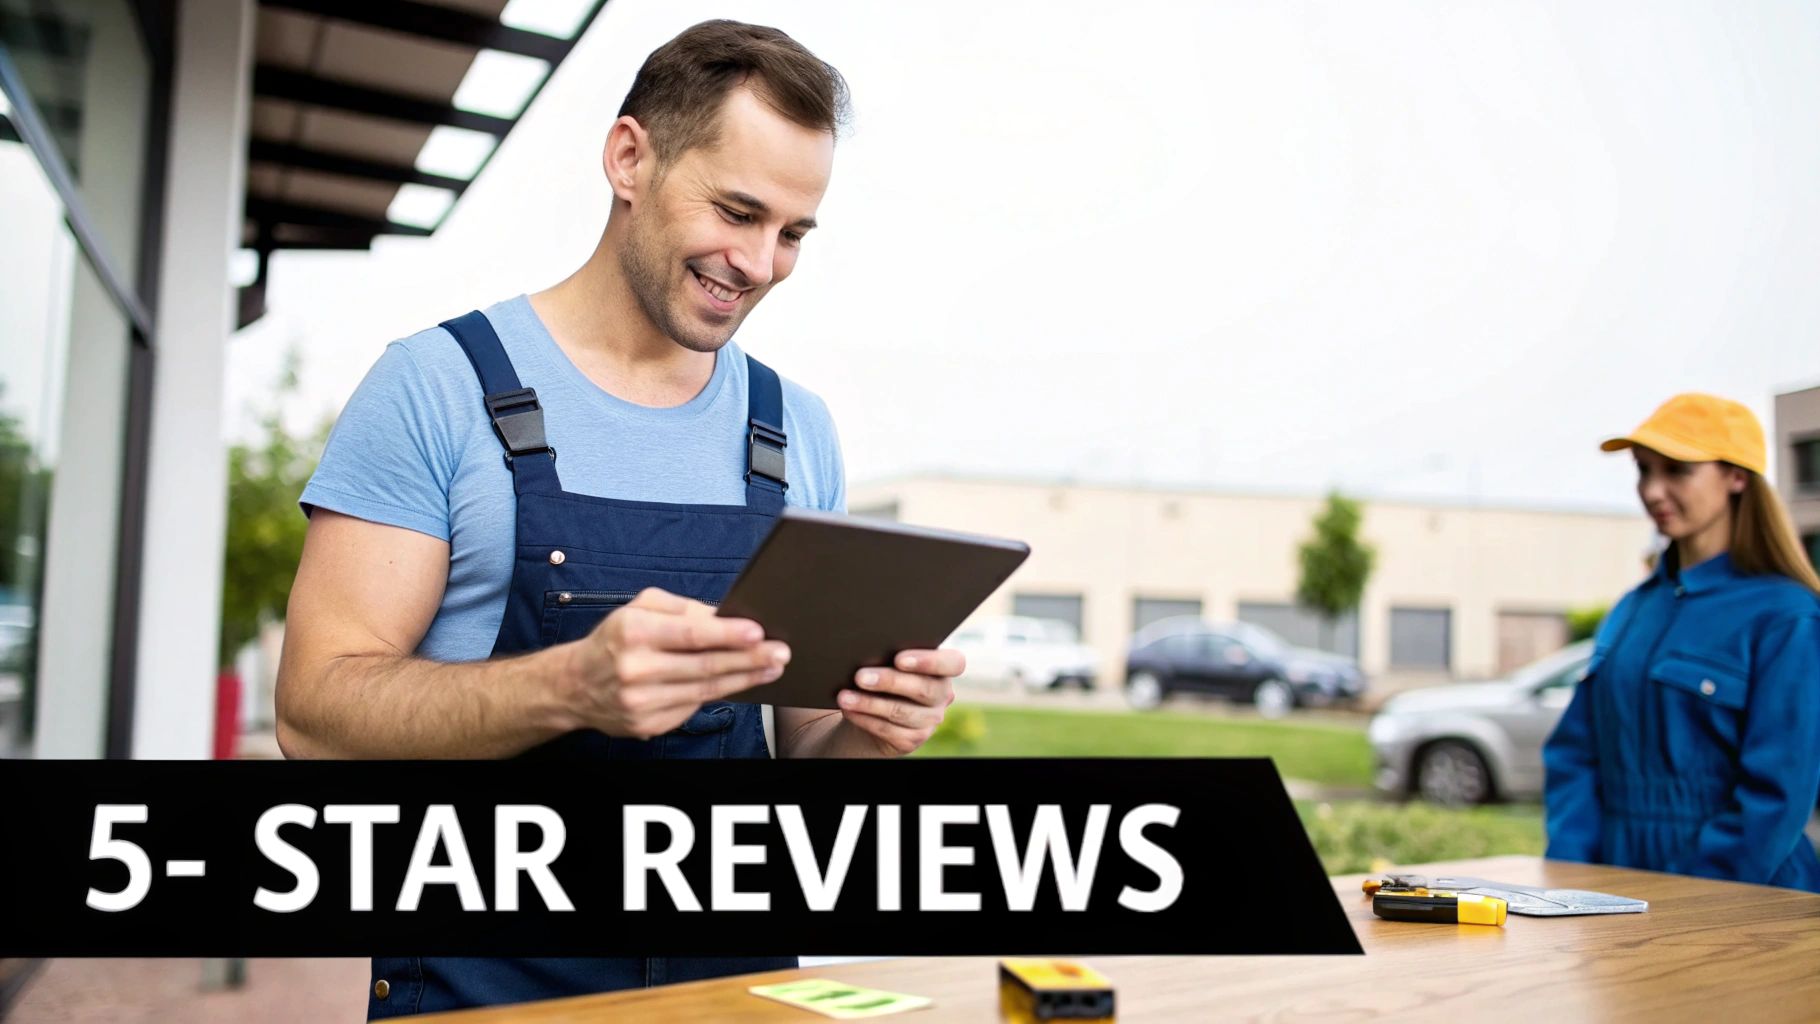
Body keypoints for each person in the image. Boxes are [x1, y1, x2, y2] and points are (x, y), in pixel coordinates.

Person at [274, 20, 964, 1017]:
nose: (760, 262)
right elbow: (312, 715)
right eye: (736, 210)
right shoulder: (435, 387)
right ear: (629, 157)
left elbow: (804, 747)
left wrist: (871, 731)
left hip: (731, 992)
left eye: (791, 233)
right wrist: (569, 684)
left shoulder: (793, 432)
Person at [1544, 392, 1820, 892]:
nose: (1652, 490)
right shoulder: (1632, 610)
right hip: (1617, 883)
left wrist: (1688, 901)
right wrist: (1571, 876)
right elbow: (1574, 755)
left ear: (1737, 476)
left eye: (1676, 469)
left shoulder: (1785, 615)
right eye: (1643, 470)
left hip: (1745, 895)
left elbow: (1777, 793)